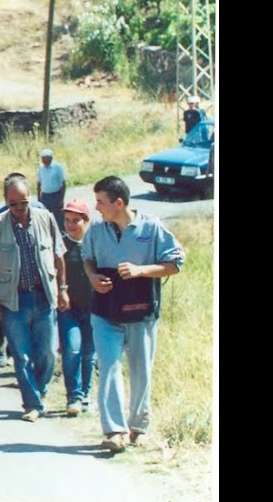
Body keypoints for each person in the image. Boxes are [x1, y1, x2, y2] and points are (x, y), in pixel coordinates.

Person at [83, 176, 183, 452]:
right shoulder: (96, 230)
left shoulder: (150, 227)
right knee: (109, 367)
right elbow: (87, 259)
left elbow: (175, 263)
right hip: (105, 312)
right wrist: (92, 277)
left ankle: (138, 427)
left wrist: (141, 271)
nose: (97, 208)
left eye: (101, 202)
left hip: (141, 313)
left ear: (119, 203)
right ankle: (114, 430)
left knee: (141, 372)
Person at [0, 176, 68, 422]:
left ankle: (39, 392)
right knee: (22, 355)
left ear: (31, 198)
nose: (19, 209)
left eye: (23, 202)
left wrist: (62, 288)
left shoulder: (46, 218)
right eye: (13, 204)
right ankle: (32, 403)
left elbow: (58, 254)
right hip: (13, 300)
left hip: (43, 295)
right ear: (6, 202)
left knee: (48, 353)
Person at [58, 197, 96, 418]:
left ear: (86, 220)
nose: (71, 225)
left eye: (76, 220)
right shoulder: (62, 245)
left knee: (89, 353)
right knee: (72, 349)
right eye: (67, 220)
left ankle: (85, 395)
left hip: (94, 308)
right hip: (69, 308)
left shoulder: (95, 243)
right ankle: (73, 396)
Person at [37, 149, 68, 230]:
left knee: (59, 217)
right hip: (45, 196)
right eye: (42, 159)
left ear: (50, 158)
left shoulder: (57, 167)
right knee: (45, 216)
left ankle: (63, 233)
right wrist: (38, 197)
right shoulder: (40, 168)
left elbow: (63, 183)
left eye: (45, 159)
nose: (43, 161)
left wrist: (61, 199)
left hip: (56, 195)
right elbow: (39, 183)